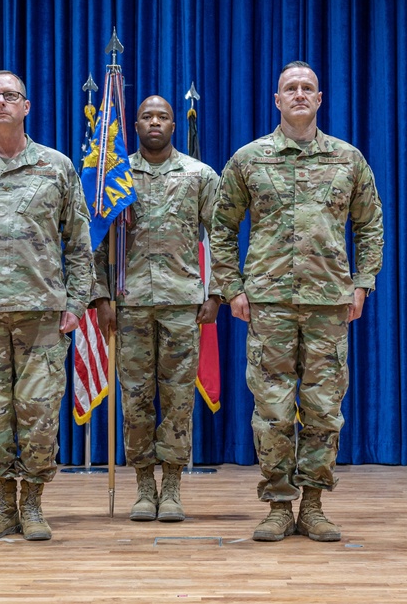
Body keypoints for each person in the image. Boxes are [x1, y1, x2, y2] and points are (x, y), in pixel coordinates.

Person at [210, 61, 384, 542]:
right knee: (272, 411)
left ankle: (314, 505)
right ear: (277, 99)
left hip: (329, 302)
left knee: (324, 408)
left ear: (320, 98)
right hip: (268, 303)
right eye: (291, 88)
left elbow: (369, 225)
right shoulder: (249, 159)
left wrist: (363, 283)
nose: (300, 94)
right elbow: (221, 227)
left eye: (308, 87)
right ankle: (279, 505)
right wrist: (233, 286)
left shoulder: (348, 159)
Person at [0, 70, 93, 541]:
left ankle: (33, 505)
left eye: (11, 96)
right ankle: (2, 503)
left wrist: (77, 300)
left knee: (39, 411)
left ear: (27, 106)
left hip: (43, 312)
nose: (2, 103)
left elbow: (80, 242)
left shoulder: (57, 167)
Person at [91, 95, 221, 522]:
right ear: (136, 123)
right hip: (129, 306)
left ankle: (173, 489)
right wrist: (101, 296)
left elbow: (220, 237)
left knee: (179, 399)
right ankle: (144, 487)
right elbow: (98, 242)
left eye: (163, 116)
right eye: (146, 116)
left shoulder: (199, 174)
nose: (154, 122)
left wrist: (216, 292)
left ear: (172, 125)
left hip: (182, 303)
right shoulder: (115, 177)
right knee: (137, 400)